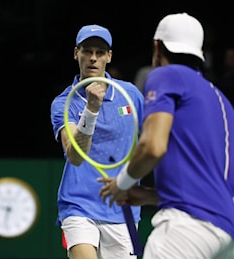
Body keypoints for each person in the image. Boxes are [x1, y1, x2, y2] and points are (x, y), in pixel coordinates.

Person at [99, 13, 234, 258]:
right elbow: (208, 184)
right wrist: (148, 196)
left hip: (186, 228)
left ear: (157, 47)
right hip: (229, 232)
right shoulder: (221, 100)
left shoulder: (166, 75)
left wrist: (121, 183)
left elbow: (153, 147)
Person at [50, 24, 144, 259]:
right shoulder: (64, 103)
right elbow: (74, 155)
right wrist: (91, 110)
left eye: (100, 52)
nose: (93, 58)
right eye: (87, 51)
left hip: (123, 208)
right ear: (76, 53)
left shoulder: (130, 95)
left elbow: (155, 138)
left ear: (109, 56)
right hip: (79, 204)